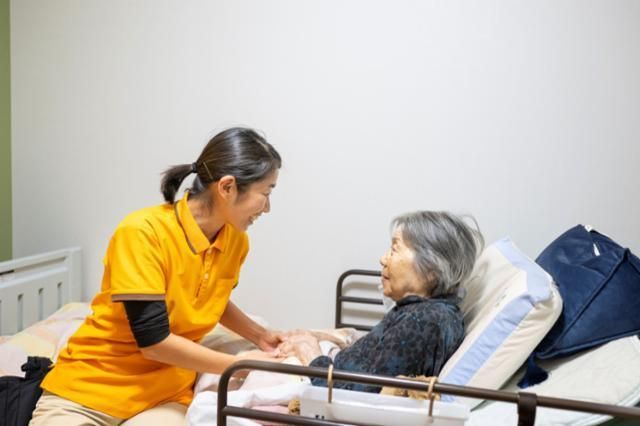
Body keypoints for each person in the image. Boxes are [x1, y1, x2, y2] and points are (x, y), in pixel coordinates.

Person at [31, 127, 285, 425]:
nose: (268, 208)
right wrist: (238, 364)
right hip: (91, 389)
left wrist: (260, 336)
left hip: (165, 395)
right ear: (227, 187)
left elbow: (212, 297)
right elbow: (153, 342)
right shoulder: (143, 232)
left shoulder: (235, 241)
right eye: (266, 193)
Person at [279, 211, 484, 393]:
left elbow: (354, 398)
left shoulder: (423, 322)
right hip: (334, 368)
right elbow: (381, 353)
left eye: (394, 249)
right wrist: (325, 338)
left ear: (431, 270)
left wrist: (311, 355)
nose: (383, 259)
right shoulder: (424, 310)